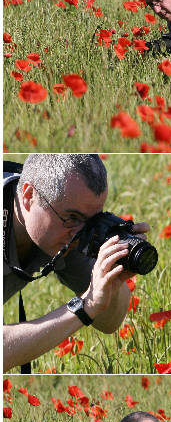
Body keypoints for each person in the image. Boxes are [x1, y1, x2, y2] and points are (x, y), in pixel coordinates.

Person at [3, 155, 148, 373]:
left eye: (92, 221)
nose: (81, 234)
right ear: (28, 195)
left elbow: (108, 323)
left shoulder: (64, 225)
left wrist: (113, 278)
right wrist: (83, 307)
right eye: (72, 217)